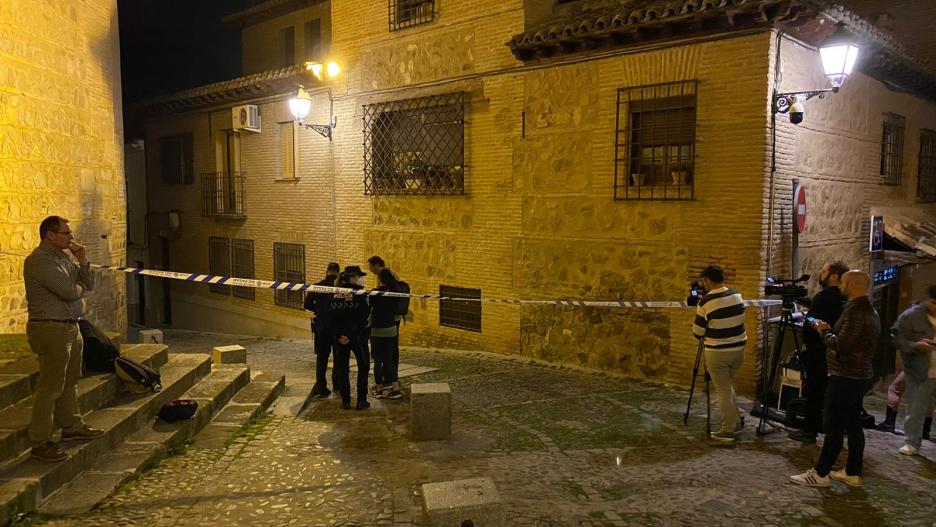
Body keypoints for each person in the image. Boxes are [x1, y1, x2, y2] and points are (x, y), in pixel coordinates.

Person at [23, 216, 104, 462]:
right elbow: (69, 291)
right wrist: (77, 287)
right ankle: (40, 441)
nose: (71, 237)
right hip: (50, 328)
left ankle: (71, 425)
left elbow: (87, 283)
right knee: (50, 386)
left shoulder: (63, 259)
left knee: (70, 380)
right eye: (66, 233)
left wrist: (82, 261)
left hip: (70, 326)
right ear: (50, 235)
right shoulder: (40, 261)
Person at [791, 270, 879, 488]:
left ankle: (820, 473)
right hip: (859, 375)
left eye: (844, 282)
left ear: (849, 284)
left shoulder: (856, 312)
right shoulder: (868, 309)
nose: (840, 285)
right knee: (853, 423)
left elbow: (842, 345)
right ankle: (852, 472)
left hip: (846, 376)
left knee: (834, 426)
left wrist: (824, 331)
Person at [790, 261, 848, 443]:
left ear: (833, 277)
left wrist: (811, 318)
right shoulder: (845, 298)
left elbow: (812, 322)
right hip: (837, 354)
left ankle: (810, 430)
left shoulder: (824, 297)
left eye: (823, 271)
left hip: (818, 352)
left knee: (814, 391)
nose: (819, 274)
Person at [691, 265, 747, 443]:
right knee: (728, 385)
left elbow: (698, 332)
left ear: (707, 280)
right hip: (739, 350)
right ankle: (736, 420)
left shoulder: (706, 302)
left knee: (722, 390)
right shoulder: (737, 295)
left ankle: (727, 430)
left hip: (718, 352)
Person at [893, 284, 936, 456]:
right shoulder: (911, 316)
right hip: (920, 369)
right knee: (916, 406)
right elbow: (896, 339)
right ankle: (912, 441)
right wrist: (915, 345)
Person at [329, 266, 371, 410]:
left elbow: (332, 317)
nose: (361, 279)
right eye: (359, 276)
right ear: (353, 277)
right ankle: (361, 400)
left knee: (342, 368)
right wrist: (351, 334)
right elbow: (364, 315)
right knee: (363, 366)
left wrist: (341, 335)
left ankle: (345, 400)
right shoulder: (359, 294)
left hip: (340, 338)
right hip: (357, 335)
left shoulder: (334, 293)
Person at [367, 255, 404, 397]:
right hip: (391, 328)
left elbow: (368, 308)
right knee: (389, 359)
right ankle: (395, 389)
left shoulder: (374, 294)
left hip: (377, 329)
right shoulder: (394, 293)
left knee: (377, 360)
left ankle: (379, 388)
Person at [304, 262, 340, 398]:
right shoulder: (340, 288)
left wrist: (319, 310)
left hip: (321, 327)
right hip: (336, 327)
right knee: (338, 357)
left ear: (327, 271)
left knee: (322, 358)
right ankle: (337, 384)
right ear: (338, 272)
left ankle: (322, 387)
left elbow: (307, 304)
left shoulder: (317, 286)